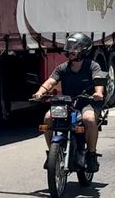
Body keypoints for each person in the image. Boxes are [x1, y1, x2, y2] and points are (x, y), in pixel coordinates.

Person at [31, 33, 108, 173]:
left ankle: (91, 155)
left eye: (75, 48)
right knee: (48, 118)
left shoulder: (92, 66)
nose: (71, 51)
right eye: (70, 47)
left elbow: (98, 80)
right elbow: (50, 81)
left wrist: (98, 93)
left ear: (84, 50)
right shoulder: (62, 68)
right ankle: (51, 154)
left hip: (88, 102)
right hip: (68, 102)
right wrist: (40, 92)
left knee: (89, 119)